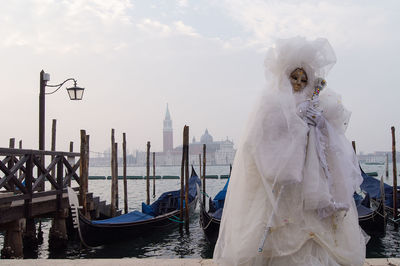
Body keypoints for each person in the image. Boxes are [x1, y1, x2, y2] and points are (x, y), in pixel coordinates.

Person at [213, 37, 367, 266]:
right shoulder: (271, 103)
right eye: (294, 77)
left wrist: (319, 122)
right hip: (282, 181)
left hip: (311, 179)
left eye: (303, 79)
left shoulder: (317, 102)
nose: (298, 83)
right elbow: (260, 139)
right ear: (285, 76)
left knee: (313, 227)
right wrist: (296, 121)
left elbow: (332, 139)